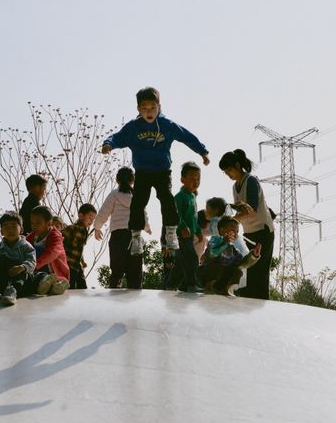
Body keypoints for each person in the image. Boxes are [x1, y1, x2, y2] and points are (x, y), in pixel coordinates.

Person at [101, 87, 209, 256]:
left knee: (166, 199)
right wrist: (108, 144)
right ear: (138, 109)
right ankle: (136, 237)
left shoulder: (167, 125)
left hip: (162, 171)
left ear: (159, 106)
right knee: (138, 202)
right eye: (144, 108)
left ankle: (171, 232)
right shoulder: (133, 128)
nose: (149, 112)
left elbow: (187, 136)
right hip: (142, 172)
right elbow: (117, 137)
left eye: (152, 108)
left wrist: (202, 151)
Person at [219, 149, 275, 300]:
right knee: (247, 271)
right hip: (249, 232)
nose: (228, 174)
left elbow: (251, 209)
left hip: (263, 231)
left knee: (260, 273)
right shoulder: (234, 186)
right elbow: (240, 209)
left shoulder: (251, 181)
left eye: (229, 170)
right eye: (225, 172)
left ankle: (261, 308)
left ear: (237, 165)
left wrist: (234, 221)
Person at [93, 167, 148, 289]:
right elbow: (143, 213)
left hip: (118, 236)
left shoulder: (114, 194)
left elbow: (104, 212)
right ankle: (135, 298)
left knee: (117, 269)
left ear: (117, 180)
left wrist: (97, 227)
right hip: (135, 235)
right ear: (132, 181)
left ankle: (114, 292)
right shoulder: (136, 196)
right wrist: (147, 227)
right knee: (135, 272)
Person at [199, 217, 262, 296]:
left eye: (237, 231)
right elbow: (212, 253)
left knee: (237, 271)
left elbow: (242, 263)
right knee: (217, 267)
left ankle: (226, 288)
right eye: (232, 230)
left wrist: (253, 255)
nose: (235, 234)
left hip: (220, 279)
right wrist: (224, 243)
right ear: (222, 230)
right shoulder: (216, 239)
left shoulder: (232, 248)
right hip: (206, 273)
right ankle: (208, 287)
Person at [168, 162, 203, 292]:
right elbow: (175, 214)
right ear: (182, 179)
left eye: (198, 179)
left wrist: (198, 231)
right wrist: (182, 227)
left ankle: (171, 285)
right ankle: (191, 285)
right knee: (191, 258)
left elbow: (194, 218)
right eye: (192, 179)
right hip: (180, 235)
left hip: (190, 236)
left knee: (180, 262)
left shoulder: (193, 196)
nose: (196, 182)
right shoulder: (180, 196)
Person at [26, 205, 70, 293]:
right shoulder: (32, 237)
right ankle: (49, 286)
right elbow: (23, 246)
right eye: (32, 223)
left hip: (53, 272)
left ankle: (58, 283)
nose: (34, 226)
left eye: (38, 223)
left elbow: (52, 252)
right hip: (38, 270)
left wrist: (34, 265)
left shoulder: (55, 237)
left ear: (49, 223)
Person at [62, 204, 96, 290]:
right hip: (68, 264)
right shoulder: (72, 228)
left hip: (76, 264)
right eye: (90, 218)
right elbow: (60, 242)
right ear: (81, 216)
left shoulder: (84, 230)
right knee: (71, 287)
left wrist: (82, 261)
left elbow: (78, 248)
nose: (91, 221)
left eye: (93, 219)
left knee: (82, 286)